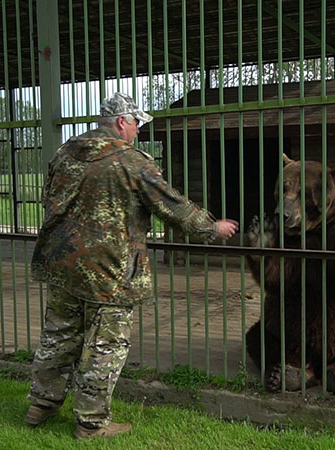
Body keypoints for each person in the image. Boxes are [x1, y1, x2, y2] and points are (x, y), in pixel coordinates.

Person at [24, 92, 238, 439]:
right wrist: (211, 227)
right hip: (108, 268)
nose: (138, 130)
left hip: (61, 261)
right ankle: (91, 423)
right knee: (105, 344)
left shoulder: (65, 152)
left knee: (59, 334)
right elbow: (171, 206)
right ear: (122, 122)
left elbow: (49, 197)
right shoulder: (130, 160)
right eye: (136, 123)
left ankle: (41, 404)